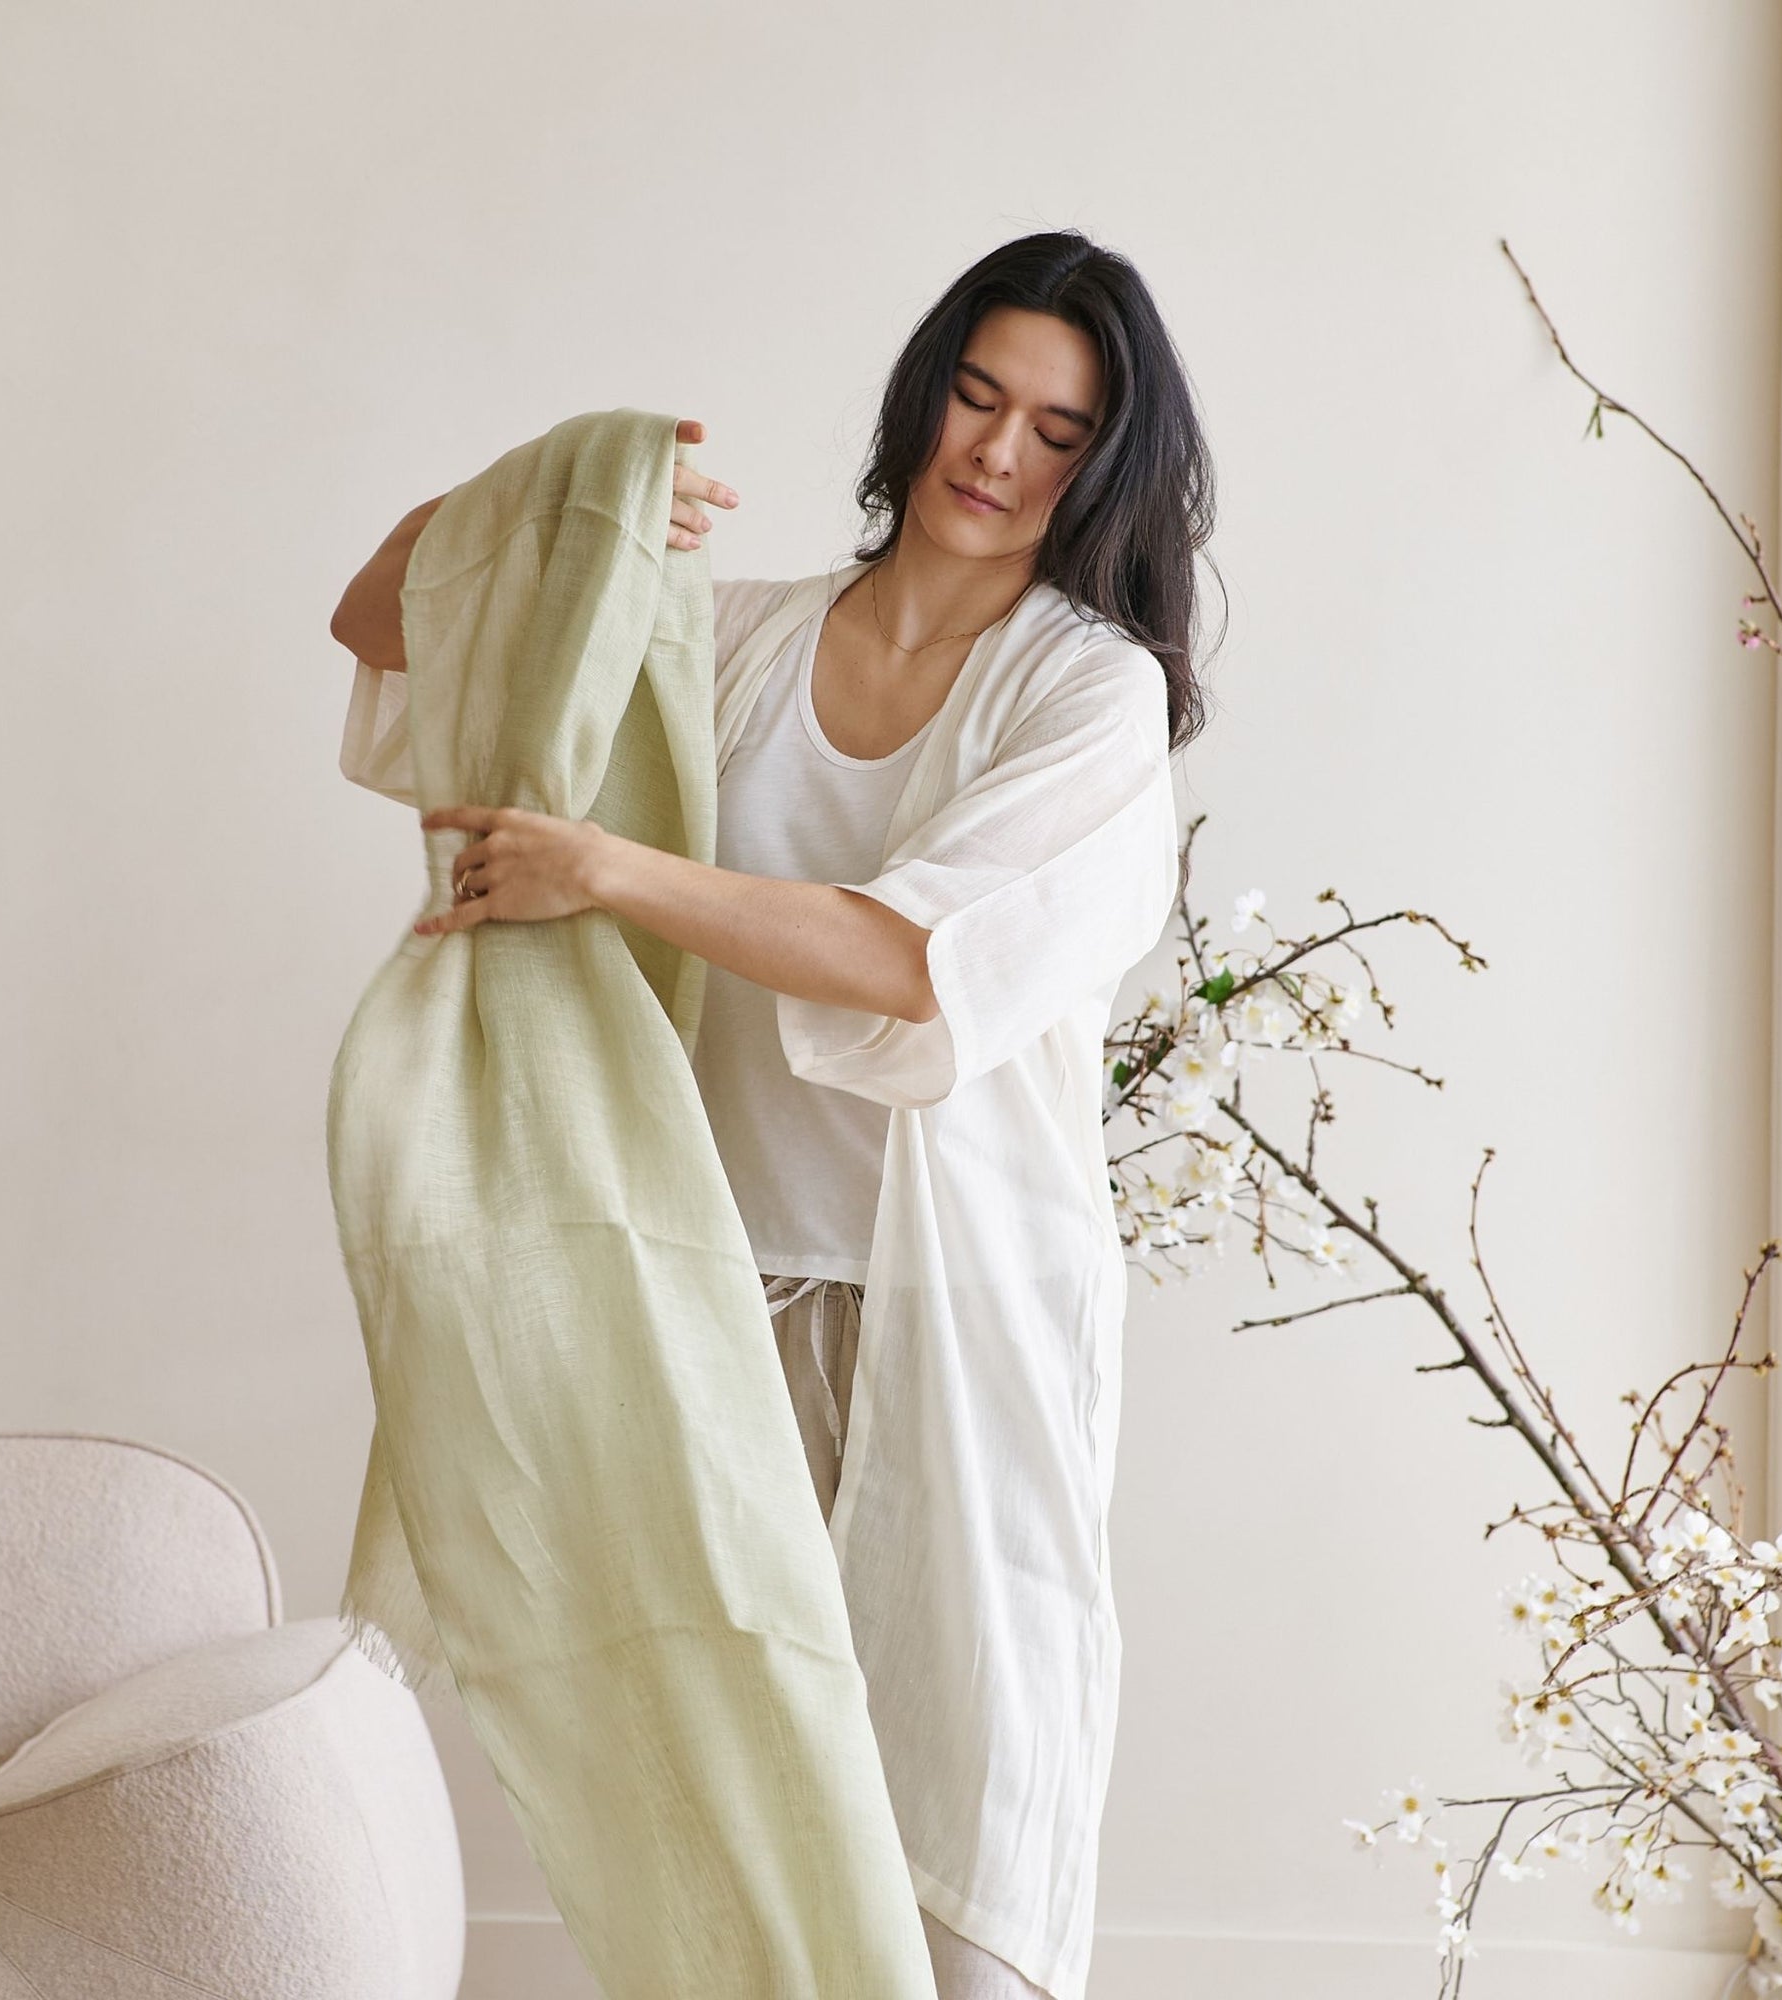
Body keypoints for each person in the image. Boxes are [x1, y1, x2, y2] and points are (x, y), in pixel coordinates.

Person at [332, 226, 1218, 2000]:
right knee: (729, 1810)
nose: (997, 453)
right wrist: (562, 502)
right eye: (978, 396)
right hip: (706, 1295)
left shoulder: (1085, 690)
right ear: (922, 397)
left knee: (961, 1824)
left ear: (1105, 465)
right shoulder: (737, 639)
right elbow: (379, 621)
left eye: (1056, 430)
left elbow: (905, 962)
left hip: (956, 1320)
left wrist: (603, 870)